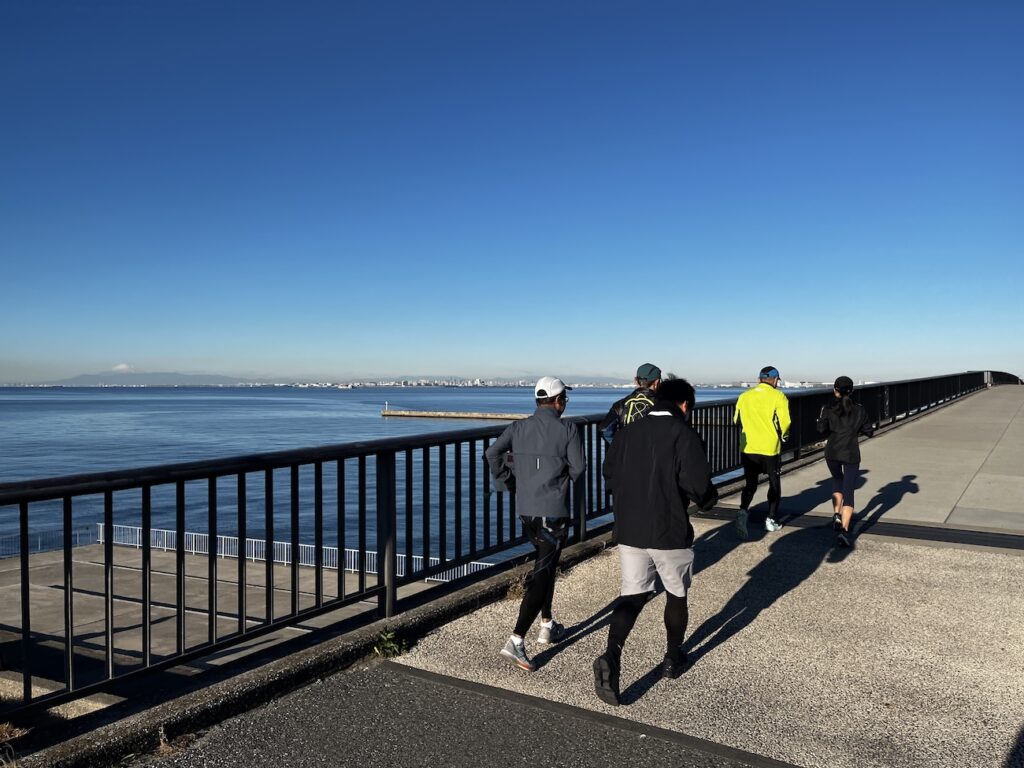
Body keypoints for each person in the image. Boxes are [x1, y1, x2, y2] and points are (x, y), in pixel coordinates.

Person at [594, 378, 718, 705]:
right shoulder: (684, 435)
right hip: (669, 529)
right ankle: (672, 658)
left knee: (633, 594)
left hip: (630, 528)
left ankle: (612, 654)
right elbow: (699, 486)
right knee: (676, 594)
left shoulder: (627, 432)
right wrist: (707, 499)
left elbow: (610, 476)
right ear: (685, 405)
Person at [485, 376, 585, 672]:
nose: (565, 403)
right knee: (542, 572)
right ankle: (516, 640)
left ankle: (547, 624)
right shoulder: (568, 429)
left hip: (526, 510)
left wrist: (509, 479)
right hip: (553, 512)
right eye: (565, 398)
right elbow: (579, 469)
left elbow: (492, 453)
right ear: (557, 401)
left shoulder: (519, 427)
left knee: (547, 565)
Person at [732, 365, 791, 538]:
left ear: (759, 379)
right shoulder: (778, 396)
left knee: (750, 484)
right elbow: (785, 422)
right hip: (770, 448)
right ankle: (770, 520)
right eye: (777, 380)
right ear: (774, 380)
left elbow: (736, 420)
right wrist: (784, 436)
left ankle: (743, 512)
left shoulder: (744, 396)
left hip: (748, 447)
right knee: (774, 483)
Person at [816, 376, 873, 547]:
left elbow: (821, 429)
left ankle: (836, 514)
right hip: (851, 454)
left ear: (835, 390)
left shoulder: (827, 407)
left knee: (837, 480)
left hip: (832, 452)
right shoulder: (860, 410)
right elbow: (869, 431)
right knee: (849, 490)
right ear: (852, 391)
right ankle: (844, 531)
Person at [599, 363, 662, 442]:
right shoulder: (664, 405)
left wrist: (619, 446)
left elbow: (605, 429)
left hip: (626, 452)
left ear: (636, 381)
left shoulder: (621, 404)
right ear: (656, 382)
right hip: (654, 453)